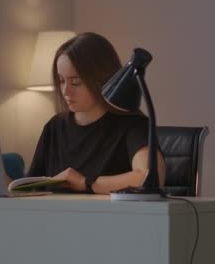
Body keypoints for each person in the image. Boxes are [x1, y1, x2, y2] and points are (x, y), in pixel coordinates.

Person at [27, 32, 165, 194]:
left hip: (111, 218)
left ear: (100, 78)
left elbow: (149, 176)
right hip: (57, 218)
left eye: (76, 82)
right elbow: (30, 188)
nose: (66, 91)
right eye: (61, 80)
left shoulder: (131, 124)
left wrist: (85, 182)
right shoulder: (54, 127)